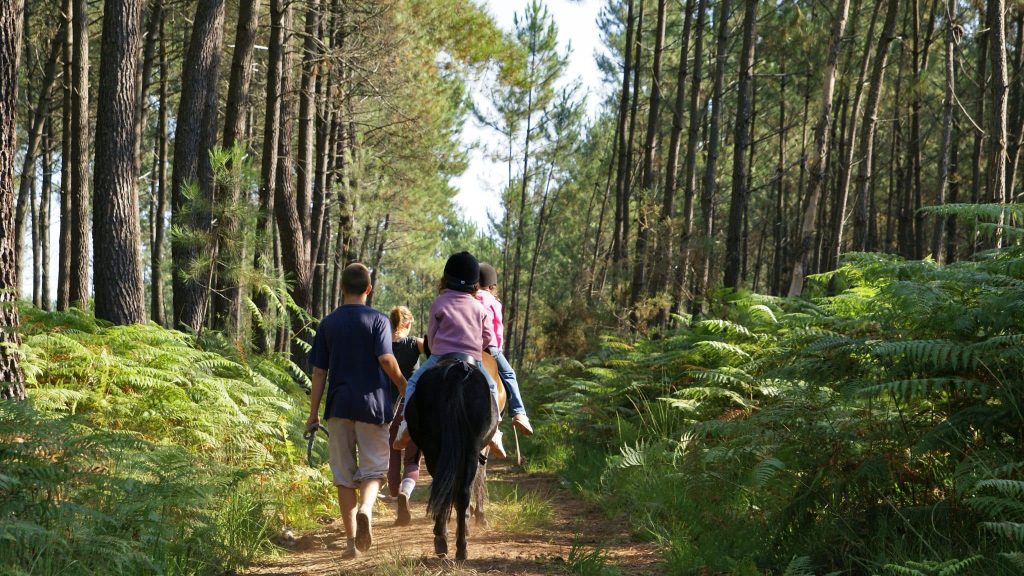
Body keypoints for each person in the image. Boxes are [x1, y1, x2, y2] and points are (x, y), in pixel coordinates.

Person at [306, 263, 408, 559]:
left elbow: (319, 373)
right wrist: (404, 386)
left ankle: (351, 544)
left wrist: (313, 413)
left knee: (344, 475)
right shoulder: (378, 320)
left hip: (338, 407)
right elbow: (387, 360)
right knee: (375, 469)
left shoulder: (328, 323)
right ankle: (366, 509)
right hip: (373, 406)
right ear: (368, 288)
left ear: (341, 288)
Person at [392, 251, 508, 459]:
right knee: (491, 386)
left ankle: (406, 425)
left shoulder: (439, 303)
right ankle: (495, 431)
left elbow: (432, 338)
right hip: (473, 359)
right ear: (474, 282)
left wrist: (438, 350)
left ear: (447, 278)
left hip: (441, 357)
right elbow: (489, 338)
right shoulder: (478, 307)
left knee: (413, 383)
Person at [477, 263, 534, 435]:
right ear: (492, 286)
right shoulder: (493, 301)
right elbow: (497, 328)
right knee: (509, 374)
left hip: (466, 346)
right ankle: (518, 413)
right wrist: (498, 349)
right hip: (489, 347)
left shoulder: (468, 297)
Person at [386, 306, 424, 526]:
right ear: (408, 324)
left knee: (392, 457)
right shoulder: (415, 343)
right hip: (412, 410)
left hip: (388, 410)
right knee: (412, 459)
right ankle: (405, 493)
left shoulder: (383, 345)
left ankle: (395, 493)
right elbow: (436, 352)